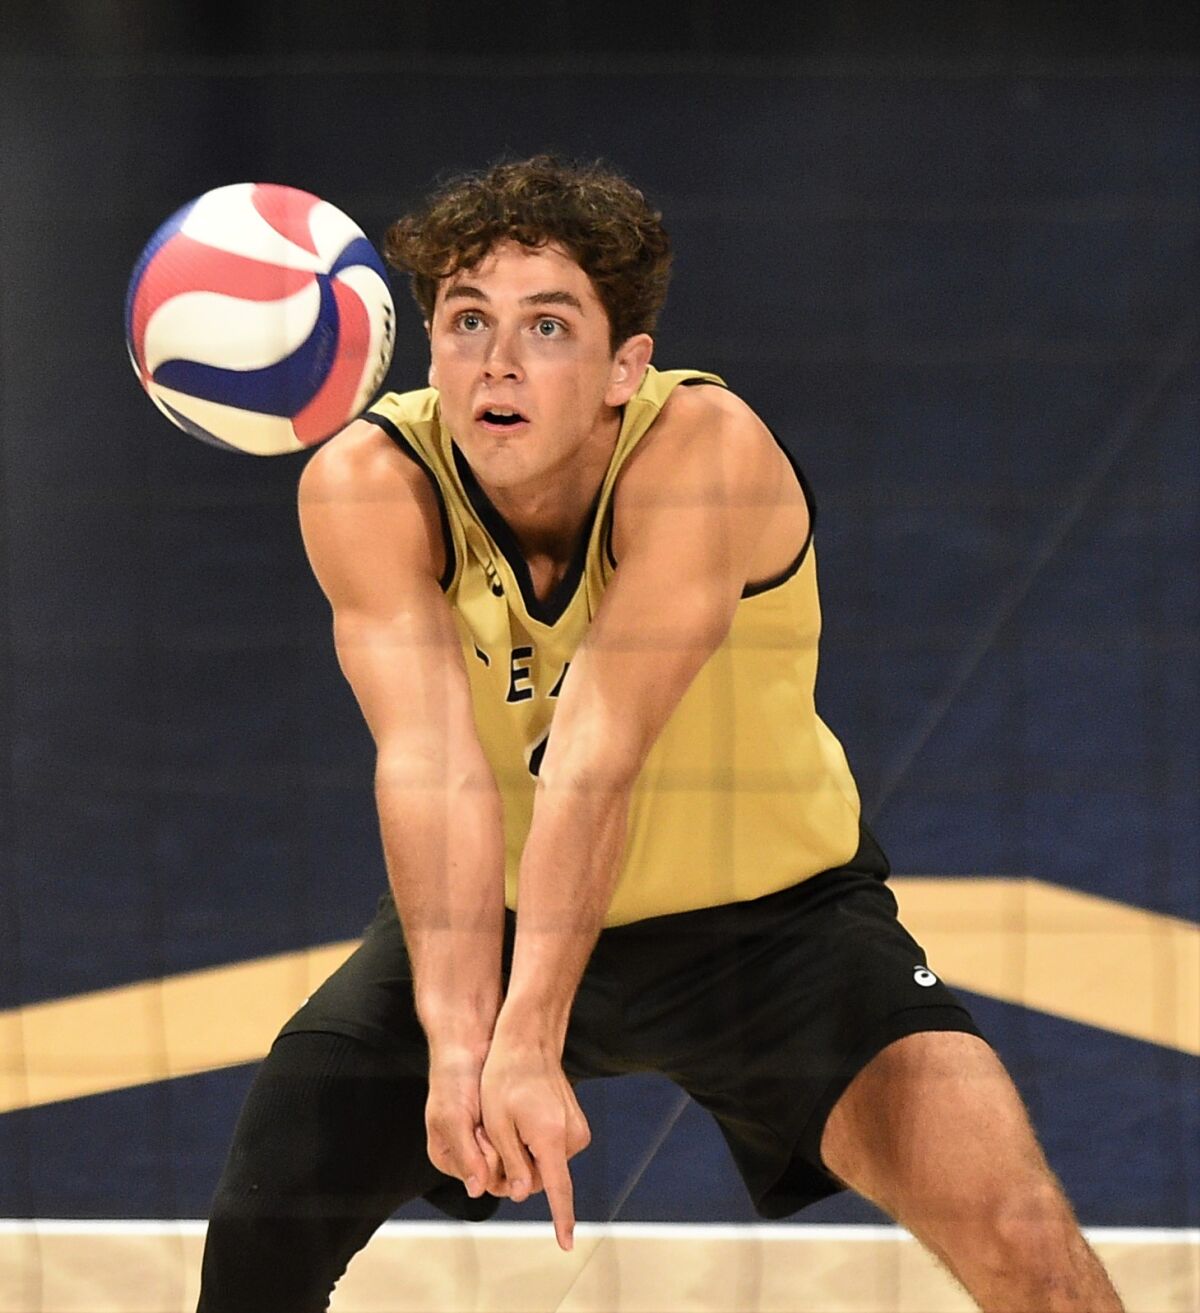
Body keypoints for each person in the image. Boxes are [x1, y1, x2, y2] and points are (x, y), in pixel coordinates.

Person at [197, 155, 1123, 1313]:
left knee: (1022, 1236)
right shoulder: (370, 481)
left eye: (549, 327)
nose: (499, 360)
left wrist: (527, 1039)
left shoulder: (702, 452)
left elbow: (595, 751)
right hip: (502, 913)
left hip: (773, 932)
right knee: (265, 1215)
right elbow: (430, 764)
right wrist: (456, 1034)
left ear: (624, 366)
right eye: (469, 321)